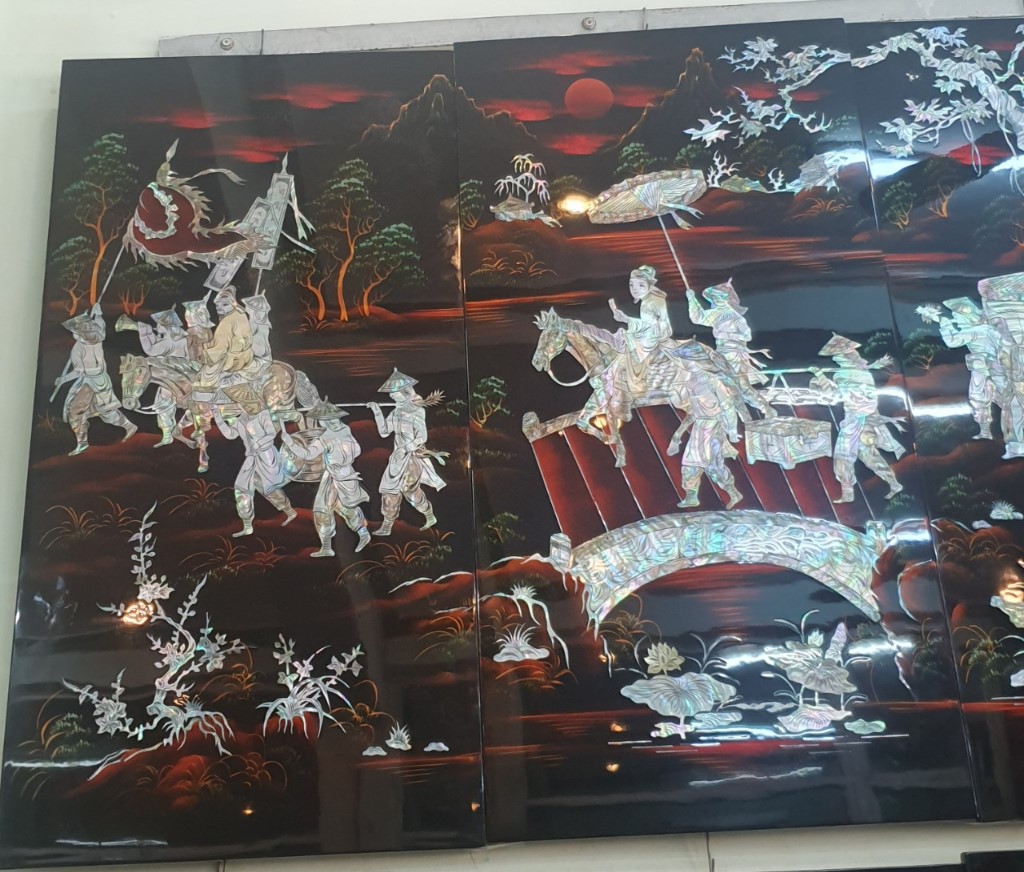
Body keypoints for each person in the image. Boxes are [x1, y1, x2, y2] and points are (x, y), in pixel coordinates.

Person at [810, 334, 904, 503]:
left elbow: (835, 396)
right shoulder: (862, 372)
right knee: (866, 456)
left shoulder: (843, 375)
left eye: (837, 356)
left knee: (845, 455)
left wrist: (820, 377)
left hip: (856, 420)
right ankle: (892, 484)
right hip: (864, 420)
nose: (836, 359)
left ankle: (851, 492)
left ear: (843, 357)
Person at [281, 401, 370, 556]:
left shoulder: (337, 433)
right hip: (336, 476)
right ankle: (330, 546)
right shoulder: (332, 435)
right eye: (328, 420)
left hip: (341, 476)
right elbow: (308, 454)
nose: (332, 422)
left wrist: (290, 443)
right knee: (329, 509)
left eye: (333, 418)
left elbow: (308, 454)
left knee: (338, 508)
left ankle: (358, 535)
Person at [368, 369, 446, 536]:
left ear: (405, 392)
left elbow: (422, 437)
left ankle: (429, 515)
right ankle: (387, 526)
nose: (391, 396)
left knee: (409, 490)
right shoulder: (396, 411)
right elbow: (384, 432)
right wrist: (377, 412)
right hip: (397, 459)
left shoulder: (417, 411)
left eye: (394, 393)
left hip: (411, 457)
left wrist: (404, 448)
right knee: (389, 490)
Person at [54, 304, 137, 455]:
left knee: (93, 413)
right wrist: (98, 314)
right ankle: (83, 442)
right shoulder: (89, 343)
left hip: (95, 382)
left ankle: (127, 427)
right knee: (90, 412)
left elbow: (80, 371)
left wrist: (64, 379)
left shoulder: (90, 342)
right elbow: (101, 327)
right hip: (94, 381)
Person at [686, 278, 776, 418]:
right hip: (720, 354)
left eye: (720, 297)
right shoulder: (715, 314)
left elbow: (747, 336)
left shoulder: (737, 318)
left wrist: (727, 334)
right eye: (715, 297)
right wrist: (692, 300)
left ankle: (764, 408)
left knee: (742, 387)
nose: (716, 300)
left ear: (727, 299)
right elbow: (698, 318)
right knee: (715, 383)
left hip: (735, 355)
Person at [215, 384, 296, 537]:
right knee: (241, 488)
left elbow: (271, 434)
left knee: (268, 488)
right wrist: (218, 418)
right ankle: (247, 525)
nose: (239, 405)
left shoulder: (263, 414)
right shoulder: (242, 418)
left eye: (240, 402)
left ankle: (289, 511)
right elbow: (230, 434)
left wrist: (258, 444)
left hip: (266, 456)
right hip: (251, 458)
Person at [925, 297, 1006, 440]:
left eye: (958, 316)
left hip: (982, 371)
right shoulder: (989, 329)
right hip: (997, 370)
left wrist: (943, 321)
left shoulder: (973, 331)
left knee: (978, 399)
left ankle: (986, 432)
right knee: (1003, 398)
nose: (956, 320)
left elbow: (952, 341)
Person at [667, 369, 743, 509]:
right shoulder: (691, 383)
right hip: (700, 429)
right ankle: (692, 496)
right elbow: (693, 413)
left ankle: (732, 493)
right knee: (694, 463)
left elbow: (728, 407)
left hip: (713, 428)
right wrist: (677, 434)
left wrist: (732, 430)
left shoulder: (712, 382)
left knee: (711, 465)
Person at [193, 285, 258, 403]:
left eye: (224, 304)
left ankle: (207, 397)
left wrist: (204, 355)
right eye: (217, 305)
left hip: (232, 357)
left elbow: (220, 347)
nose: (219, 308)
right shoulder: (241, 314)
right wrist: (206, 346)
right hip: (246, 354)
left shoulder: (227, 322)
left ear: (233, 304)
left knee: (206, 373)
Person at [136, 307, 189, 447]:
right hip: (184, 377)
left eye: (159, 324)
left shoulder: (168, 341)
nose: (157, 327)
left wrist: (144, 332)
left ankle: (168, 436)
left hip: (170, 379)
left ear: (167, 326)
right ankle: (172, 434)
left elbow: (151, 349)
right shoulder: (182, 338)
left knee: (164, 408)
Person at [242, 294, 273, 366]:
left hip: (261, 362)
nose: (247, 309)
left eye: (249, 307)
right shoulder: (251, 322)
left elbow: (262, 351)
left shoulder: (260, 326)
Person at [183, 296, 215, 363]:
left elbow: (212, 343)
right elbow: (186, 346)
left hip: (205, 355)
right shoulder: (191, 330)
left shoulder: (208, 329)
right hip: (194, 356)